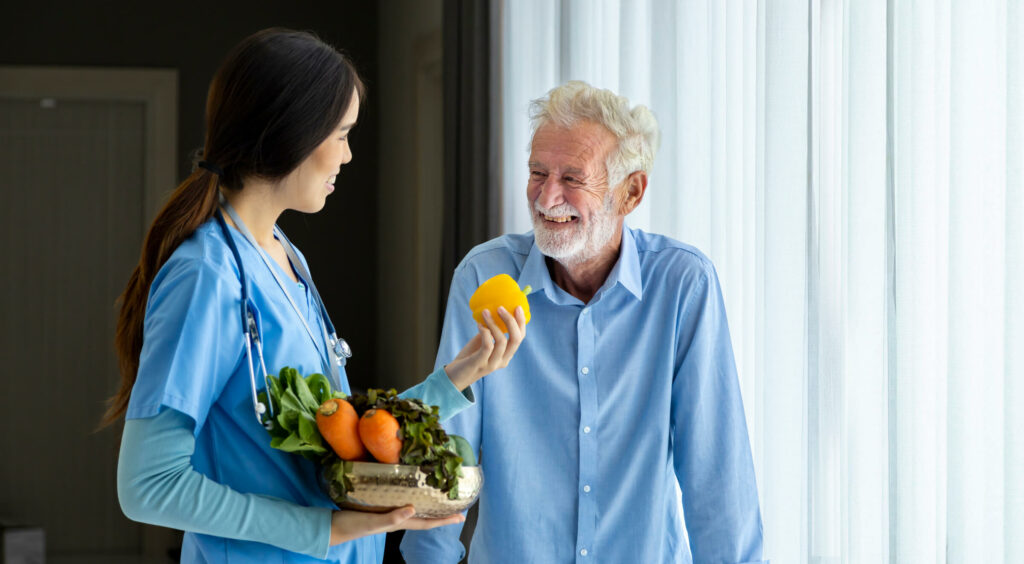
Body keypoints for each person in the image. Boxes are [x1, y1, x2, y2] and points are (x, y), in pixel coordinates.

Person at [103, 28, 527, 563]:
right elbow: (148, 485)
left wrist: (456, 379)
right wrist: (319, 531)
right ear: (293, 132)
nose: (348, 156)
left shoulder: (284, 254)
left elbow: (336, 433)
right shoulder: (207, 275)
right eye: (342, 133)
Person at [401, 80, 766, 563]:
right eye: (537, 172)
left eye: (572, 178)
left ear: (631, 191)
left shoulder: (682, 284)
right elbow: (444, 454)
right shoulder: (483, 275)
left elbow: (716, 477)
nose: (547, 197)